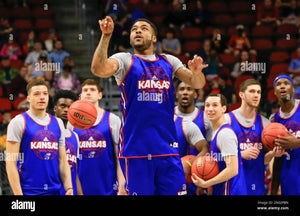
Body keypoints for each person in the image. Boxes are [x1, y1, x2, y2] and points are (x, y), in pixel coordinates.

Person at [91, 16, 207, 195]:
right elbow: (98, 69)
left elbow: (197, 83)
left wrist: (197, 72)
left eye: (144, 28)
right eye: (134, 29)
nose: (137, 30)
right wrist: (106, 36)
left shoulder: (169, 61)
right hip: (136, 150)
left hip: (167, 148)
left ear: (154, 38)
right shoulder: (124, 60)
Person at [5, 79, 73, 195]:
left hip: (55, 190)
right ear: (28, 98)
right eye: (36, 94)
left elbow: (62, 160)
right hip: (28, 191)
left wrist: (69, 187)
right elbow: (10, 162)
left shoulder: (58, 123)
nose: (42, 97)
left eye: (45, 94)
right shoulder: (18, 122)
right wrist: (18, 195)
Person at [225, 79, 285, 195]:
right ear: (241, 94)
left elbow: (262, 160)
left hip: (256, 185)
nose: (256, 95)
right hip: (232, 185)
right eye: (252, 91)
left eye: (258, 92)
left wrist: (273, 154)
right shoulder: (227, 120)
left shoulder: (266, 124)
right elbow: (215, 155)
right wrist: (240, 154)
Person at [71, 79, 126, 195]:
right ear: (80, 96)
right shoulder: (72, 123)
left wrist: (122, 184)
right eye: (85, 90)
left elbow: (119, 157)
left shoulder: (113, 120)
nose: (88, 93)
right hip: (81, 185)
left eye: (92, 90)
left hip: (108, 185)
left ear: (100, 95)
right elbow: (70, 160)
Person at [192, 93, 247, 195]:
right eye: (207, 105)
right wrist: (210, 189)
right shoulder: (216, 133)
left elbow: (233, 170)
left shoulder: (225, 134)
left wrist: (206, 183)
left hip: (231, 191)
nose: (210, 109)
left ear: (224, 108)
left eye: (215, 105)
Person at [270, 74, 300, 195]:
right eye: (278, 84)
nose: (282, 86)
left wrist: (297, 143)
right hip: (288, 177)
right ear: (275, 92)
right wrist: (274, 190)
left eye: (286, 83)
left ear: (293, 89)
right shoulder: (274, 120)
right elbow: (277, 159)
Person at [53, 89, 83, 195]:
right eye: (62, 106)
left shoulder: (75, 136)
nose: (66, 110)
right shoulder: (46, 132)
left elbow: (75, 172)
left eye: (69, 107)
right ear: (55, 108)